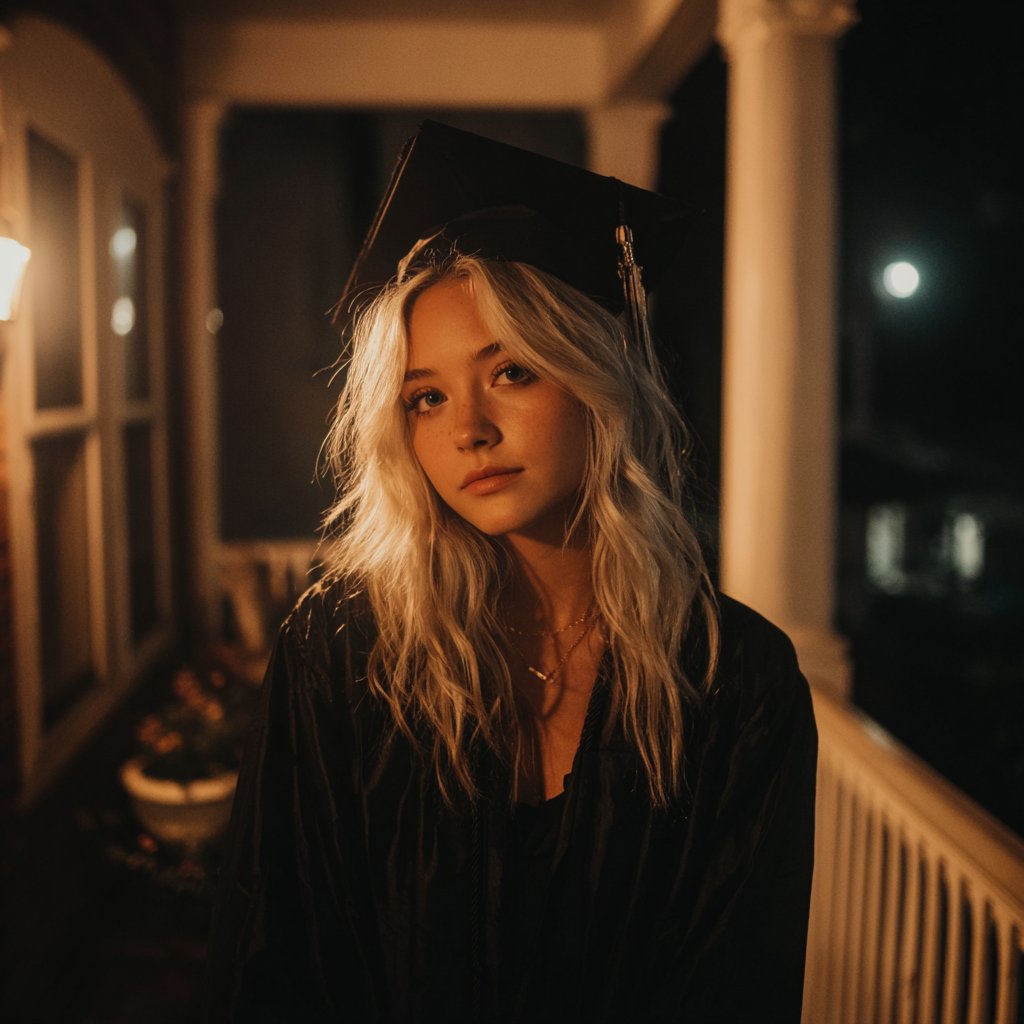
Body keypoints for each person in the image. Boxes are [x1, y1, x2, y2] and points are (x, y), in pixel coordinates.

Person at [206, 121, 817, 1023]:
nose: (468, 431)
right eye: (427, 397)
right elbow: (274, 955)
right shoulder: (343, 648)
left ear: (596, 382)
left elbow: (736, 987)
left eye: (514, 373)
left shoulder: (736, 683)